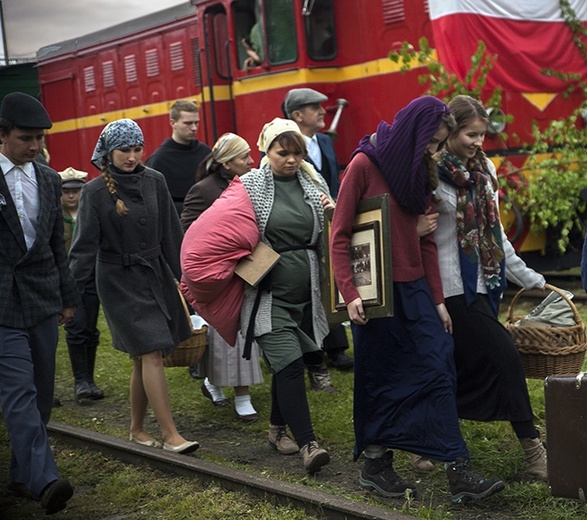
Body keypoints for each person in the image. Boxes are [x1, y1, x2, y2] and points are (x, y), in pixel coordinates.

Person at [329, 96, 505, 502]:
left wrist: (438, 300)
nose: (435, 152)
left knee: (438, 366)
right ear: (415, 133)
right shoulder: (364, 164)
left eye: (440, 145)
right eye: (432, 143)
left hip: (416, 291)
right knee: (382, 377)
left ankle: (458, 470)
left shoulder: (419, 169)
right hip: (377, 296)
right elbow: (338, 235)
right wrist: (349, 292)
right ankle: (376, 463)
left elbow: (427, 245)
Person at [182, 118, 333, 473]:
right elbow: (220, 227)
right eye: (283, 153)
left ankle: (277, 429)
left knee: (287, 363)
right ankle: (309, 444)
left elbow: (333, 228)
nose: (291, 160)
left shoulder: (314, 183)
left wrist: (330, 214)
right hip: (266, 293)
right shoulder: (249, 186)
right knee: (291, 364)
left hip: (306, 293)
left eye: (297, 153)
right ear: (267, 150)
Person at [429, 94, 547, 480]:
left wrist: (531, 279)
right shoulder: (430, 173)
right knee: (505, 357)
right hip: (447, 288)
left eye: (482, 135)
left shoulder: (486, 171)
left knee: (455, 368)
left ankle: (425, 435)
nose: (478, 142)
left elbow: (494, 236)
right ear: (449, 133)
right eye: (470, 134)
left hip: (483, 284)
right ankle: (533, 450)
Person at [69, 118, 199, 454]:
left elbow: (173, 234)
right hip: (117, 282)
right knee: (151, 350)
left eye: (137, 148)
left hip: (154, 275)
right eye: (124, 149)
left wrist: (185, 279)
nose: (132, 156)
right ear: (109, 152)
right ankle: (171, 435)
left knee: (144, 356)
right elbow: (83, 248)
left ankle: (137, 429)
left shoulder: (155, 180)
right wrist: (69, 295)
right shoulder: (95, 192)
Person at [0, 92, 78, 514]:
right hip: (2, 305)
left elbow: (55, 246)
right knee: (18, 391)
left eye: (40, 139)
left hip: (44, 299)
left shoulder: (49, 179)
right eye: (26, 138)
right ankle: (45, 479)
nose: (34, 146)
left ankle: (19, 474)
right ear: (2, 134)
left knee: (43, 392)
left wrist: (67, 298)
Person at [181, 133, 263, 422]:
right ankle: (220, 385)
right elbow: (190, 234)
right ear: (227, 163)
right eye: (244, 157)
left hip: (244, 271)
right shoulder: (203, 190)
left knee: (243, 335)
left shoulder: (253, 187)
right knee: (222, 338)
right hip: (217, 277)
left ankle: (237, 391)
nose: (251, 161)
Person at [284, 87, 354, 377]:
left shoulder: (325, 141)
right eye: (316, 108)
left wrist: (339, 208)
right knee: (309, 288)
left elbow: (333, 181)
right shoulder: (285, 145)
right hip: (301, 226)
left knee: (332, 282)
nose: (323, 112)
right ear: (298, 115)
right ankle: (309, 349)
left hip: (329, 220)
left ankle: (335, 349)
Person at [58, 166, 105, 403]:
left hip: (92, 278)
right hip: (68, 281)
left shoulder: (90, 213)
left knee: (90, 329)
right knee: (76, 329)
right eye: (66, 192)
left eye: (76, 191)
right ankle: (81, 382)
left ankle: (89, 379)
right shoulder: (57, 218)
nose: (71, 196)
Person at [145, 100, 211, 215]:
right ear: (172, 123)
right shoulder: (158, 160)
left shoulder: (206, 152)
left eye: (196, 123)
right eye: (188, 123)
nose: (194, 128)